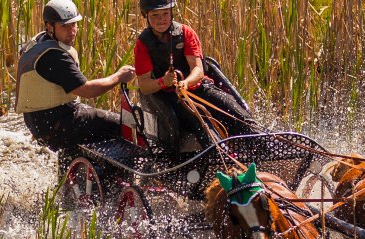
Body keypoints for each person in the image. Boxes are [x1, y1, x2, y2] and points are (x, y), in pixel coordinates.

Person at [15, 0, 136, 151]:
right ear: (49, 26)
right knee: (123, 125)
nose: (71, 30)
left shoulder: (39, 42)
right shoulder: (55, 57)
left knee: (94, 118)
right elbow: (88, 91)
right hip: (56, 124)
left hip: (40, 122)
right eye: (64, 26)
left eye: (74, 24)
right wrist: (118, 76)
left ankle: (78, 164)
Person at [134, 0, 253, 150]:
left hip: (199, 89)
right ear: (146, 16)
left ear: (171, 13)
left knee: (235, 111)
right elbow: (144, 86)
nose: (161, 19)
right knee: (201, 123)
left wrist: (186, 83)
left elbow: (198, 70)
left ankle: (263, 148)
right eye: (155, 15)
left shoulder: (185, 33)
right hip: (172, 99)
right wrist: (163, 81)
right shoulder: (143, 44)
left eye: (165, 13)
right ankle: (221, 155)